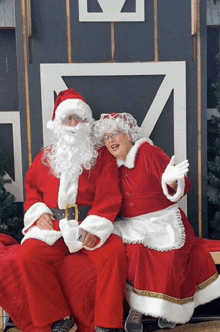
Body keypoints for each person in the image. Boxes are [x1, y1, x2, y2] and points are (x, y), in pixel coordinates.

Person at [93, 112, 220, 332]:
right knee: (129, 253)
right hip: (131, 224)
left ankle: (169, 307)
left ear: (129, 134)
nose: (111, 140)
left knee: (168, 255)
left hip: (163, 220)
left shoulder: (149, 153)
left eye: (115, 134)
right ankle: (137, 308)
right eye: (106, 137)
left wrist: (172, 181)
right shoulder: (110, 164)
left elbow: (184, 186)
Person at [17, 90, 127, 332]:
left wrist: (93, 229)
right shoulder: (46, 157)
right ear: (59, 124)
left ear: (88, 123)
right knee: (28, 256)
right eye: (69, 119)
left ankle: (108, 324)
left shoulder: (102, 157)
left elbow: (110, 197)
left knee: (114, 254)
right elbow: (32, 189)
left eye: (79, 119)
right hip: (55, 227)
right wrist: (39, 213)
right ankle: (59, 317)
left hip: (90, 222)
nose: (74, 125)